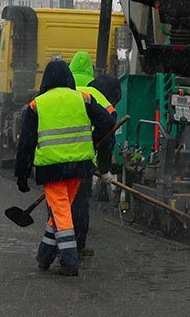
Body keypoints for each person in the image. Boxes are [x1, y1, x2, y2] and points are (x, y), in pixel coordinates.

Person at [14, 60, 114, 277]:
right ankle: (44, 255)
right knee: (62, 211)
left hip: (52, 169)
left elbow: (26, 144)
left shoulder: (36, 105)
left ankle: (70, 261)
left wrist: (22, 175)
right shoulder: (83, 98)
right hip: (79, 167)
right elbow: (107, 121)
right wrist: (92, 140)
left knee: (60, 211)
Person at [70, 68, 121, 258]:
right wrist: (105, 169)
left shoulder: (77, 94)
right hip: (82, 162)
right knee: (80, 206)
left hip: (57, 159)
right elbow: (106, 142)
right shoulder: (107, 107)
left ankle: (55, 247)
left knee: (60, 206)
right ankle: (77, 247)